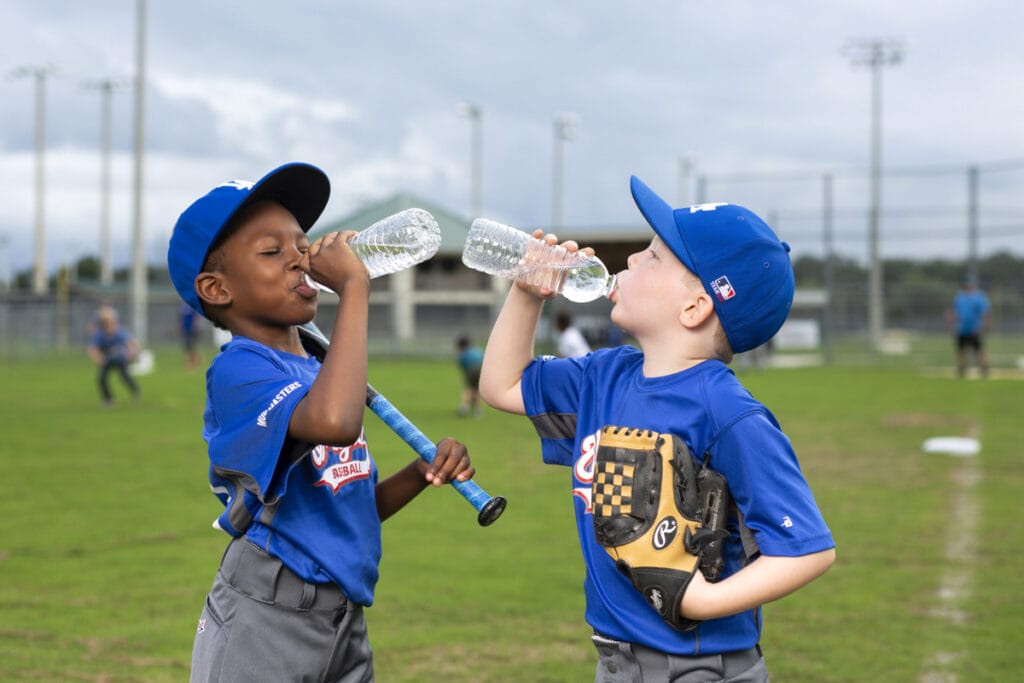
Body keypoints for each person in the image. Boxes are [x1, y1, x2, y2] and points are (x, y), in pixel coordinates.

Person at [479, 176, 835, 682]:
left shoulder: (727, 412)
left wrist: (703, 600)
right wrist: (526, 294)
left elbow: (808, 550)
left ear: (695, 307)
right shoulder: (604, 376)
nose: (629, 260)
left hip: (701, 668)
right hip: (617, 661)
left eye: (652, 257)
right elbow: (503, 385)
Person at [167, 162, 477, 683]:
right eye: (272, 252)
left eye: (302, 244)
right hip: (267, 616)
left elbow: (350, 512)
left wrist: (422, 472)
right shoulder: (239, 369)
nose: (301, 259)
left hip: (341, 616)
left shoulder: (319, 369)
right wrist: (354, 287)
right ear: (217, 289)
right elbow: (335, 422)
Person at [86, 304, 140, 406]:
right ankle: (109, 399)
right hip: (107, 361)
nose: (108, 325)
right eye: (105, 323)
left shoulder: (119, 332)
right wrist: (99, 359)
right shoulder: (99, 334)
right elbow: (93, 349)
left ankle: (135, 391)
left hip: (120, 359)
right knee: (102, 379)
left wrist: (131, 354)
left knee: (125, 377)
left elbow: (130, 344)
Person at [947, 278, 991, 378]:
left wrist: (982, 327)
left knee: (979, 349)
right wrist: (952, 323)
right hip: (962, 328)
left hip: (974, 328)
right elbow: (954, 311)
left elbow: (985, 314)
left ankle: (984, 368)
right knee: (961, 349)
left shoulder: (979, 298)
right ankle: (962, 368)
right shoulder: (960, 298)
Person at [455, 333, 485, 417]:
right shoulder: (477, 350)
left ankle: (464, 406)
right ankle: (478, 409)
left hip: (471, 370)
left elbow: (464, 368)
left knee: (470, 388)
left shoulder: (462, 355)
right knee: (478, 390)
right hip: (482, 369)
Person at [179, 301, 203, 370]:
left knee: (193, 346)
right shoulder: (183, 307)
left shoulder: (193, 307)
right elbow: (181, 318)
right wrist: (181, 327)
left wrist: (195, 327)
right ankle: (192, 361)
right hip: (186, 330)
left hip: (192, 330)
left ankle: (194, 362)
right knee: (188, 347)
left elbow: (196, 318)